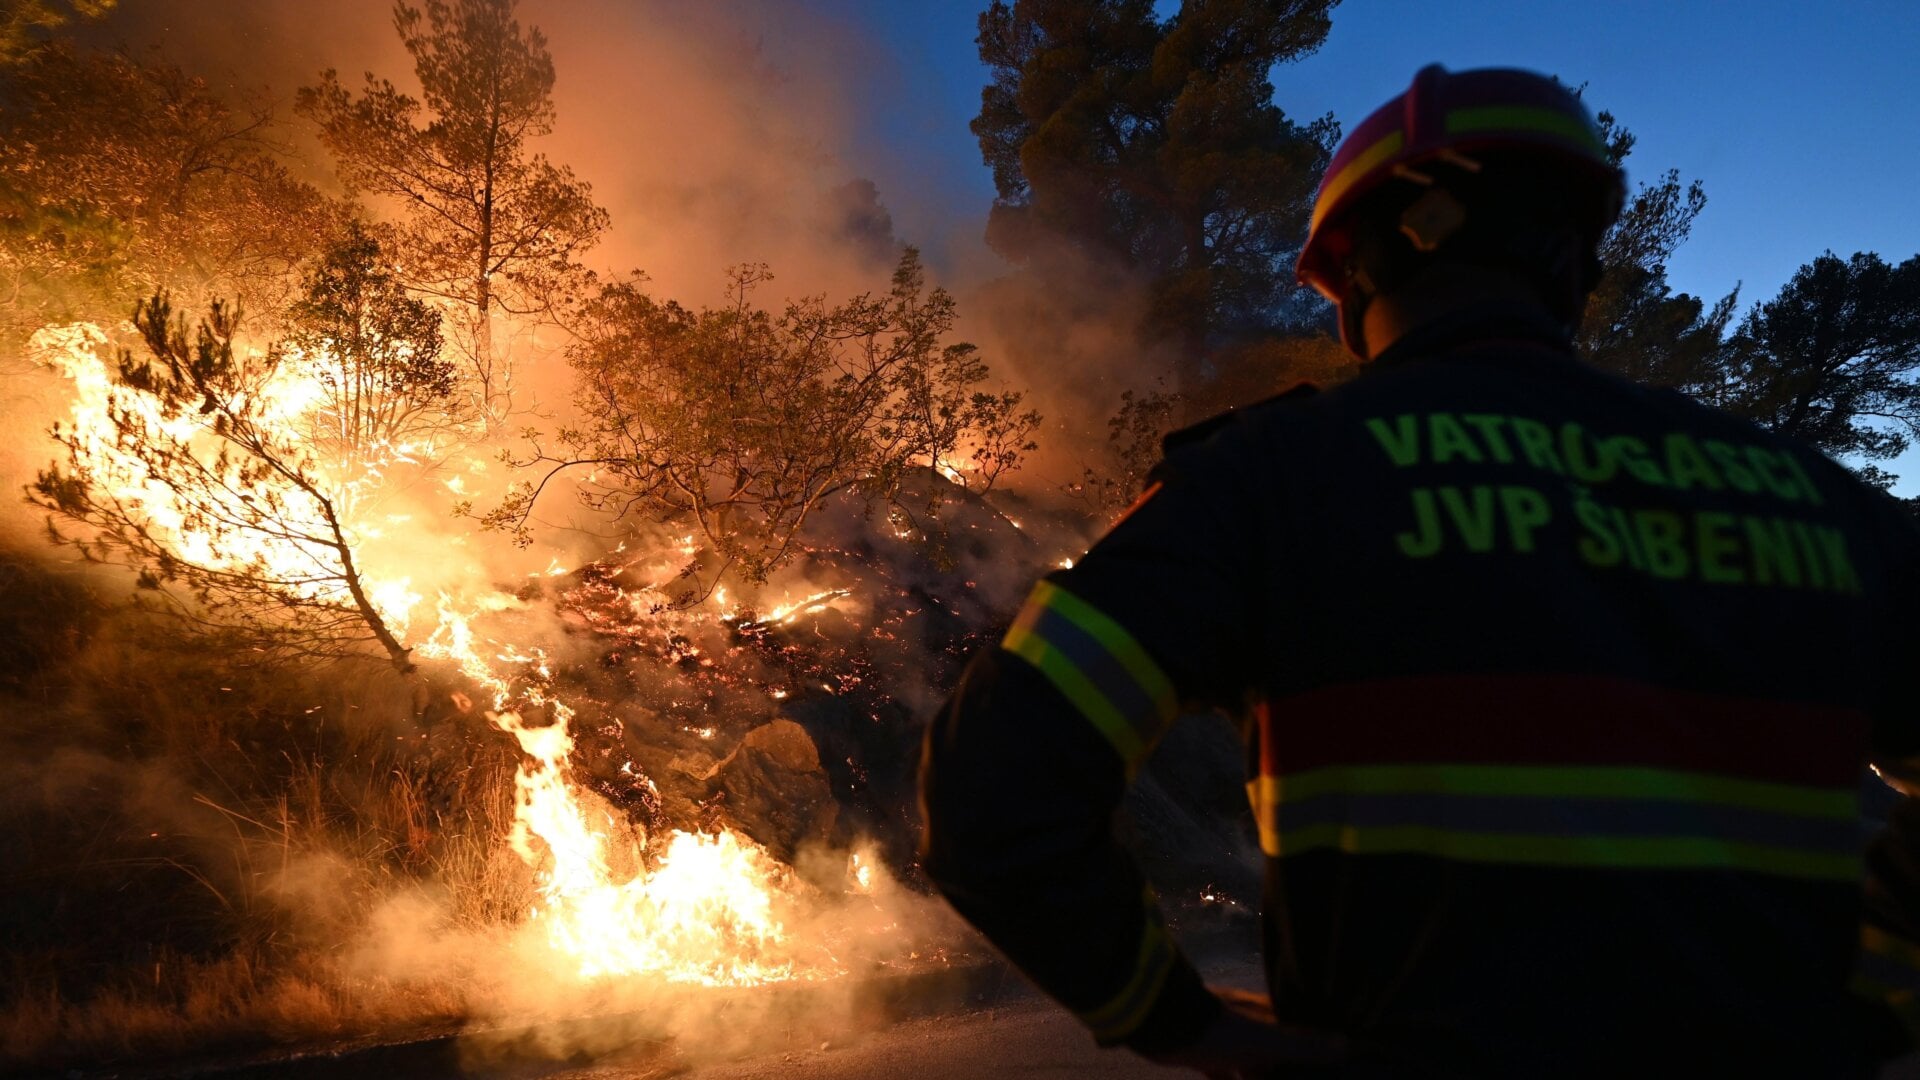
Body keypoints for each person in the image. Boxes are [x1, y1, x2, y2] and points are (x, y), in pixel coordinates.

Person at [919, 63, 1920, 1078]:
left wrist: (1179, 1021)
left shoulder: (1271, 479)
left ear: (1357, 274)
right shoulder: (1807, 497)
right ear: (1575, 266)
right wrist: (1880, 992)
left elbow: (993, 780)